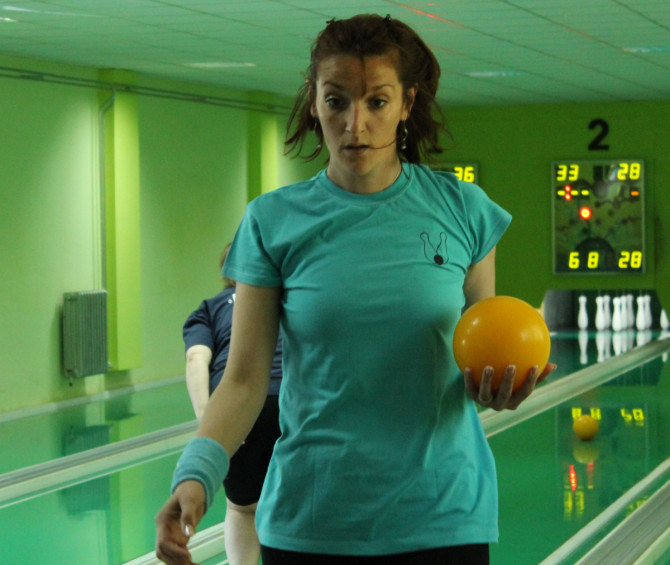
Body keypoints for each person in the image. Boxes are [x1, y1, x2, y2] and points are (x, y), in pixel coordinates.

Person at [156, 13, 556, 565]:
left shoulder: (464, 210)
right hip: (313, 519)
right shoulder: (273, 221)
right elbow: (244, 379)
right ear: (314, 101)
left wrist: (496, 386)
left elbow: (478, 348)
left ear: (407, 104)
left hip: (441, 516)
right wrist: (196, 474)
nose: (354, 124)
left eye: (377, 102)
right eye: (336, 101)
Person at [181, 244, 282, 565]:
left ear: (227, 272)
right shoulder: (288, 299)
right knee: (299, 506)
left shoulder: (209, 309)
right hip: (292, 401)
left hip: (240, 408)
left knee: (243, 508)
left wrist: (213, 425)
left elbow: (196, 359)